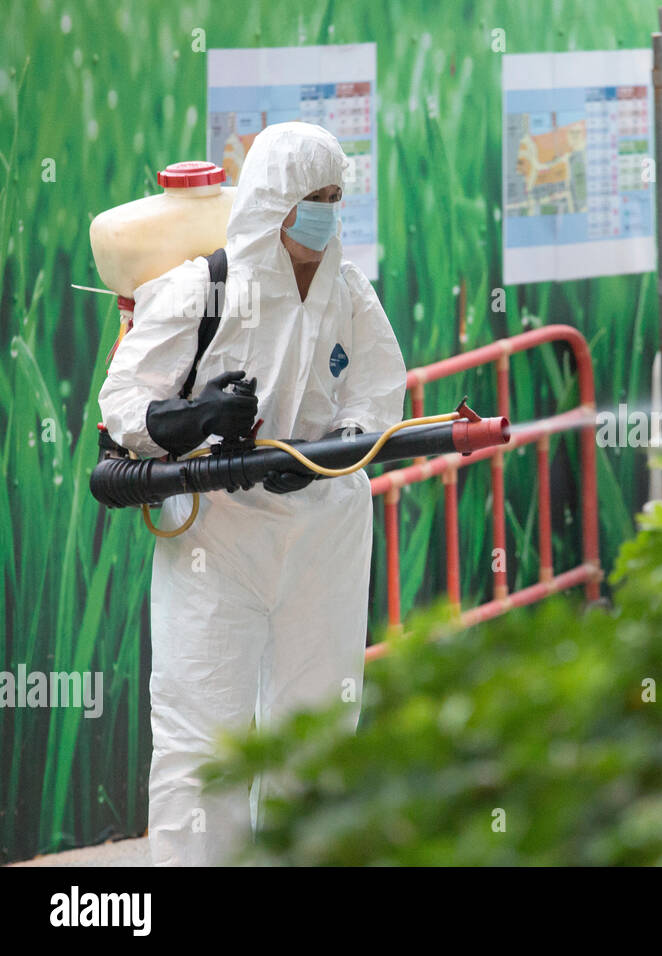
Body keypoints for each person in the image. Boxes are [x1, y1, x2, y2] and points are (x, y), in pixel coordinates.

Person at [98, 122, 407, 866]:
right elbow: (123, 410)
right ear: (274, 202)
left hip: (323, 534)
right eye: (313, 198)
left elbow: (378, 391)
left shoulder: (350, 292)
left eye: (336, 197)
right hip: (218, 537)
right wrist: (200, 417)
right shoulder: (201, 289)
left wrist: (329, 454)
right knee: (203, 729)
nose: (327, 213)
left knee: (319, 724)